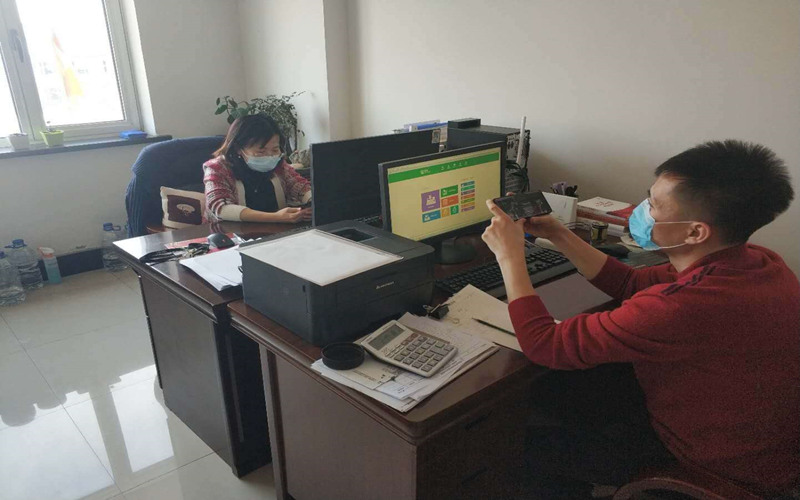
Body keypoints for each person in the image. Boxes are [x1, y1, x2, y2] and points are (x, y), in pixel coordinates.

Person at [481, 140, 798, 498]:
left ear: (695, 232)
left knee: (521, 442)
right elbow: (629, 283)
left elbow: (544, 345)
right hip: (754, 439)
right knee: (563, 388)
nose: (643, 211)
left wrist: (510, 256)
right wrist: (557, 232)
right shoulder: (756, 261)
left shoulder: (681, 307)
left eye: (655, 206)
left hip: (710, 464)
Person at [204, 114, 312, 223]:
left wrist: (313, 200)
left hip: (277, 229)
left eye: (275, 150)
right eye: (261, 152)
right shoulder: (217, 168)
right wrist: (275, 217)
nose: (270, 156)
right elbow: (221, 208)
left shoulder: (279, 165)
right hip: (232, 231)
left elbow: (299, 186)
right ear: (238, 149)